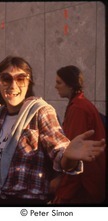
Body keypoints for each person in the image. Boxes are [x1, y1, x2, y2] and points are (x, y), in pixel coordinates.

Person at [0, 56, 106, 205]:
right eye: (6, 78)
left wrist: (69, 157)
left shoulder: (40, 111)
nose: (13, 85)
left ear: (28, 82)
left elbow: (60, 151)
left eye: (20, 79)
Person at [51, 65, 106, 204]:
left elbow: (74, 155)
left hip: (83, 188)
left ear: (70, 85)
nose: (55, 86)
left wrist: (63, 195)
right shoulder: (79, 104)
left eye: (59, 82)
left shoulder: (79, 109)